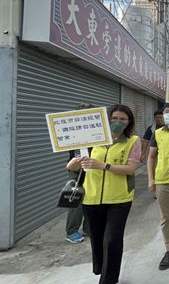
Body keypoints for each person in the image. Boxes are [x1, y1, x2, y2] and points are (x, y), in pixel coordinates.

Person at [67, 104, 141, 284]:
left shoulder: (133, 141)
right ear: (106, 120)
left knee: (112, 240)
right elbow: (70, 167)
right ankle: (102, 269)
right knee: (97, 239)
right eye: (114, 118)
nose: (118, 122)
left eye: (123, 119)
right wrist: (77, 162)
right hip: (91, 198)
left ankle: (108, 279)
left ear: (129, 122)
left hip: (119, 199)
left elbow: (131, 168)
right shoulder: (91, 140)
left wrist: (103, 166)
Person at [146, 103, 169, 270]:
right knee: (166, 218)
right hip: (162, 181)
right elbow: (151, 157)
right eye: (166, 112)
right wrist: (151, 179)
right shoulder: (157, 133)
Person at [64, 103, 94, 244]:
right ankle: (71, 231)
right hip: (77, 169)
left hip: (94, 167)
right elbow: (73, 156)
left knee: (92, 198)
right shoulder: (73, 132)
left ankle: (88, 228)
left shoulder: (97, 131)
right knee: (77, 199)